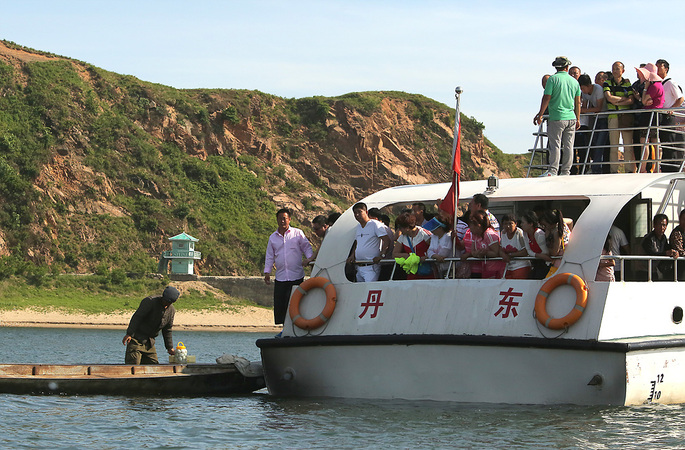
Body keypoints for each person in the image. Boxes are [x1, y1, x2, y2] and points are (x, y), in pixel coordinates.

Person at [264, 208, 314, 325]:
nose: (282, 221)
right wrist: (267, 271)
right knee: (281, 305)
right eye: (280, 218)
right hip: (281, 276)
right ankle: (284, 329)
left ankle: (296, 326)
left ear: (289, 219)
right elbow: (270, 256)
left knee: (295, 303)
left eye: (284, 218)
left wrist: (310, 259)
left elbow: (306, 247)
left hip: (296, 275)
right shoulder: (273, 238)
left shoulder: (297, 233)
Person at [534, 56, 581, 176]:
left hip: (557, 117)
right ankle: (566, 171)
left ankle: (553, 170)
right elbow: (577, 102)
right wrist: (578, 118)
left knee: (555, 144)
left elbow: (547, 97)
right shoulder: (574, 81)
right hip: (571, 117)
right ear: (567, 67)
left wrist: (540, 114)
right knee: (569, 146)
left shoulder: (552, 79)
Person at [122, 286, 180, 365]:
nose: (166, 304)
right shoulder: (149, 302)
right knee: (133, 365)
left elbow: (167, 330)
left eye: (169, 303)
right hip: (136, 339)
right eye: (165, 301)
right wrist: (129, 333)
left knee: (154, 366)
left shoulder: (171, 311)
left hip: (150, 343)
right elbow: (137, 317)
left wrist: (169, 347)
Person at [604, 61, 635, 173]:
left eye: (617, 68)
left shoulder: (627, 84)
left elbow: (631, 100)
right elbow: (608, 97)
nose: (615, 71)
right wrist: (623, 100)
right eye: (613, 69)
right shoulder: (607, 83)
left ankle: (628, 170)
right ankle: (614, 170)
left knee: (628, 145)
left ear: (623, 70)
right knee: (614, 145)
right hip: (613, 116)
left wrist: (616, 101)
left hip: (625, 116)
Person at [348, 202, 392, 282]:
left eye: (359, 212)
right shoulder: (358, 227)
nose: (357, 215)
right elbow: (357, 243)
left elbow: (386, 240)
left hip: (371, 266)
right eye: (355, 213)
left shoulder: (375, 224)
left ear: (366, 212)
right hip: (359, 266)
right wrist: (352, 256)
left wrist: (382, 255)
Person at [656, 59, 684, 172]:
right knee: (664, 142)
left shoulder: (671, 83)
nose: (657, 69)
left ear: (666, 69)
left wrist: (672, 109)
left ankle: (672, 168)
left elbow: (680, 98)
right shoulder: (658, 83)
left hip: (668, 117)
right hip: (662, 116)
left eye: (659, 67)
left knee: (670, 143)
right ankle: (666, 166)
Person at [635, 63, 664, 173]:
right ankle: (656, 167)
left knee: (645, 142)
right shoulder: (659, 85)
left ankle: (643, 168)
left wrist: (645, 88)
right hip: (655, 115)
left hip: (649, 116)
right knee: (655, 142)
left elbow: (643, 101)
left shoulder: (653, 86)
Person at [461, 210, 504, 279]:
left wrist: (485, 253)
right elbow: (473, 251)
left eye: (471, 226)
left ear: (478, 225)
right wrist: (477, 254)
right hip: (485, 270)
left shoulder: (489, 234)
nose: (470, 228)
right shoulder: (475, 236)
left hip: (496, 271)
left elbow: (496, 252)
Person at [578, 74, 606, 174]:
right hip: (595, 119)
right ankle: (594, 166)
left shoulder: (598, 89)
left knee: (600, 143)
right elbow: (584, 106)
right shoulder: (584, 92)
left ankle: (597, 168)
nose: (583, 90)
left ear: (589, 85)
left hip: (604, 118)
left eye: (583, 88)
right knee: (593, 142)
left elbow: (599, 108)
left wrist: (583, 110)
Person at [393, 211, 434, 279]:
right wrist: (408, 256)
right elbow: (394, 254)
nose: (399, 230)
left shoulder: (424, 234)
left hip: (427, 270)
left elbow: (434, 248)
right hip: (412, 272)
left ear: (407, 228)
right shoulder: (402, 237)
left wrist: (426, 257)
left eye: (400, 227)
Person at [641, 213, 677, 281]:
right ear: (654, 225)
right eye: (659, 224)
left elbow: (667, 249)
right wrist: (666, 253)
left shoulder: (664, 238)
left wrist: (674, 253)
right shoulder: (648, 238)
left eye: (664, 225)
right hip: (644, 271)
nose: (662, 227)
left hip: (655, 271)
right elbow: (651, 254)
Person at [520, 211, 552, 279]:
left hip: (546, 264)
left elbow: (546, 252)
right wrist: (538, 255)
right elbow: (528, 250)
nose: (521, 225)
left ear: (530, 224)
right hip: (537, 261)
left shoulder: (539, 234)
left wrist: (540, 256)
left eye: (523, 222)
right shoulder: (525, 234)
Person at [499, 214, 532, 279]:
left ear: (515, 224)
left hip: (521, 266)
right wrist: (503, 255)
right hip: (508, 267)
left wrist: (510, 255)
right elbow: (500, 248)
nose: (508, 226)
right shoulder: (503, 233)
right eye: (505, 224)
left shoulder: (519, 233)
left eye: (510, 223)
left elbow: (525, 251)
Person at [539, 209, 566, 278]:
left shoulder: (556, 232)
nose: (544, 228)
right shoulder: (563, 224)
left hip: (560, 260)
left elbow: (554, 252)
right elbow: (570, 221)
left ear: (551, 223)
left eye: (545, 225)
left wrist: (547, 236)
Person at [670, 209, 685, 280]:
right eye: (684, 219)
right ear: (680, 220)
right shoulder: (676, 233)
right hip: (678, 269)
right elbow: (680, 251)